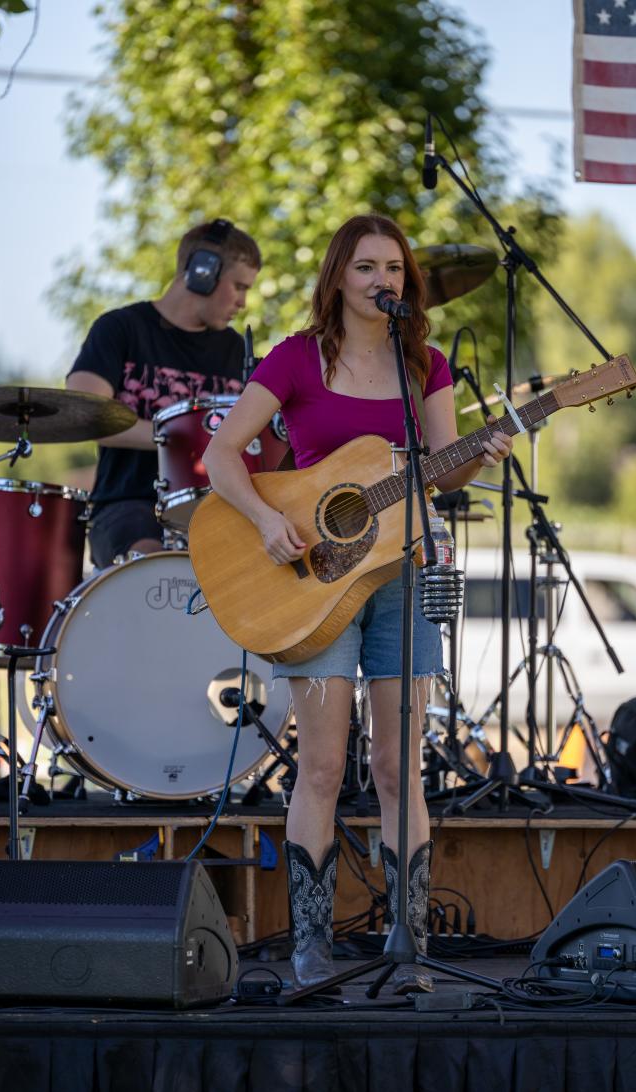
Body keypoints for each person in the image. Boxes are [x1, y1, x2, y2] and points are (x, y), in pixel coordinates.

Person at [203, 213, 512, 993]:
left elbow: (442, 477)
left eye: (397, 270)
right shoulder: (297, 358)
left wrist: (483, 451)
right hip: (313, 578)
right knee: (325, 764)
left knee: (396, 764)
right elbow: (219, 456)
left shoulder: (426, 365)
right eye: (369, 267)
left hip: (402, 571)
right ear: (339, 276)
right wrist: (269, 520)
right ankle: (313, 948)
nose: (386, 281)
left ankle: (406, 948)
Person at [67, 219, 261, 568]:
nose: (243, 303)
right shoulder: (120, 329)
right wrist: (181, 437)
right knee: (152, 569)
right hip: (128, 504)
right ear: (203, 272)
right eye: (239, 286)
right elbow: (85, 413)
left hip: (224, 509)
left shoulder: (236, 350)